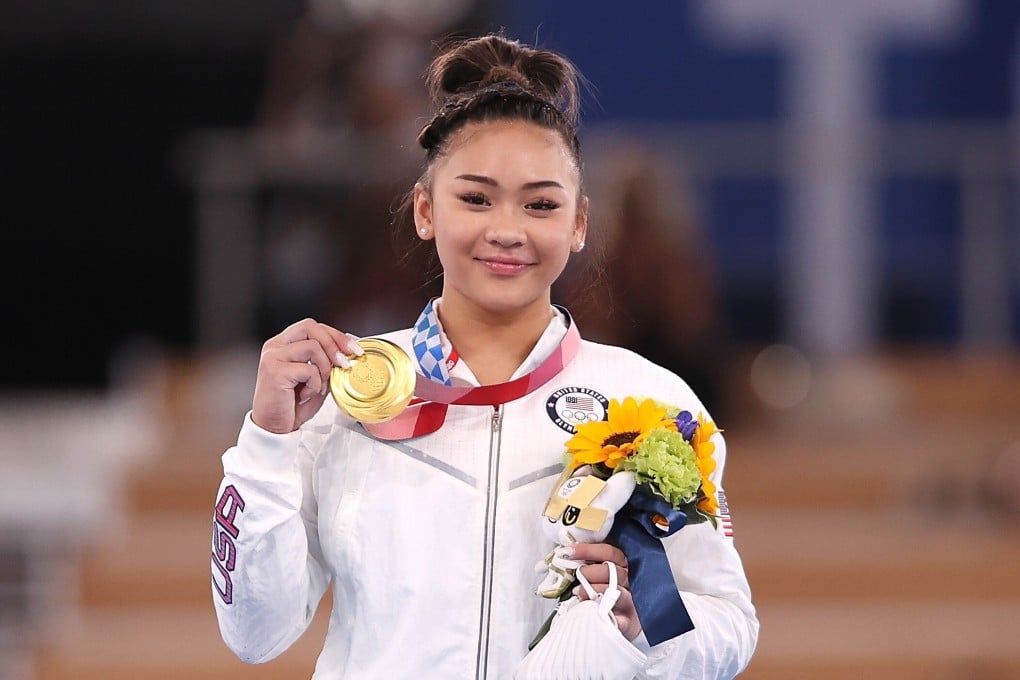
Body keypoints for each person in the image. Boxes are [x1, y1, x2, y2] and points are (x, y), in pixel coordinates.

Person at [210, 31, 759, 679]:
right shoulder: (342, 391)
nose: (507, 229)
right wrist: (268, 442)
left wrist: (641, 622)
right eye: (475, 198)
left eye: (540, 204)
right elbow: (254, 632)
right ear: (424, 210)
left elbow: (730, 627)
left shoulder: (652, 405)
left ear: (579, 223)